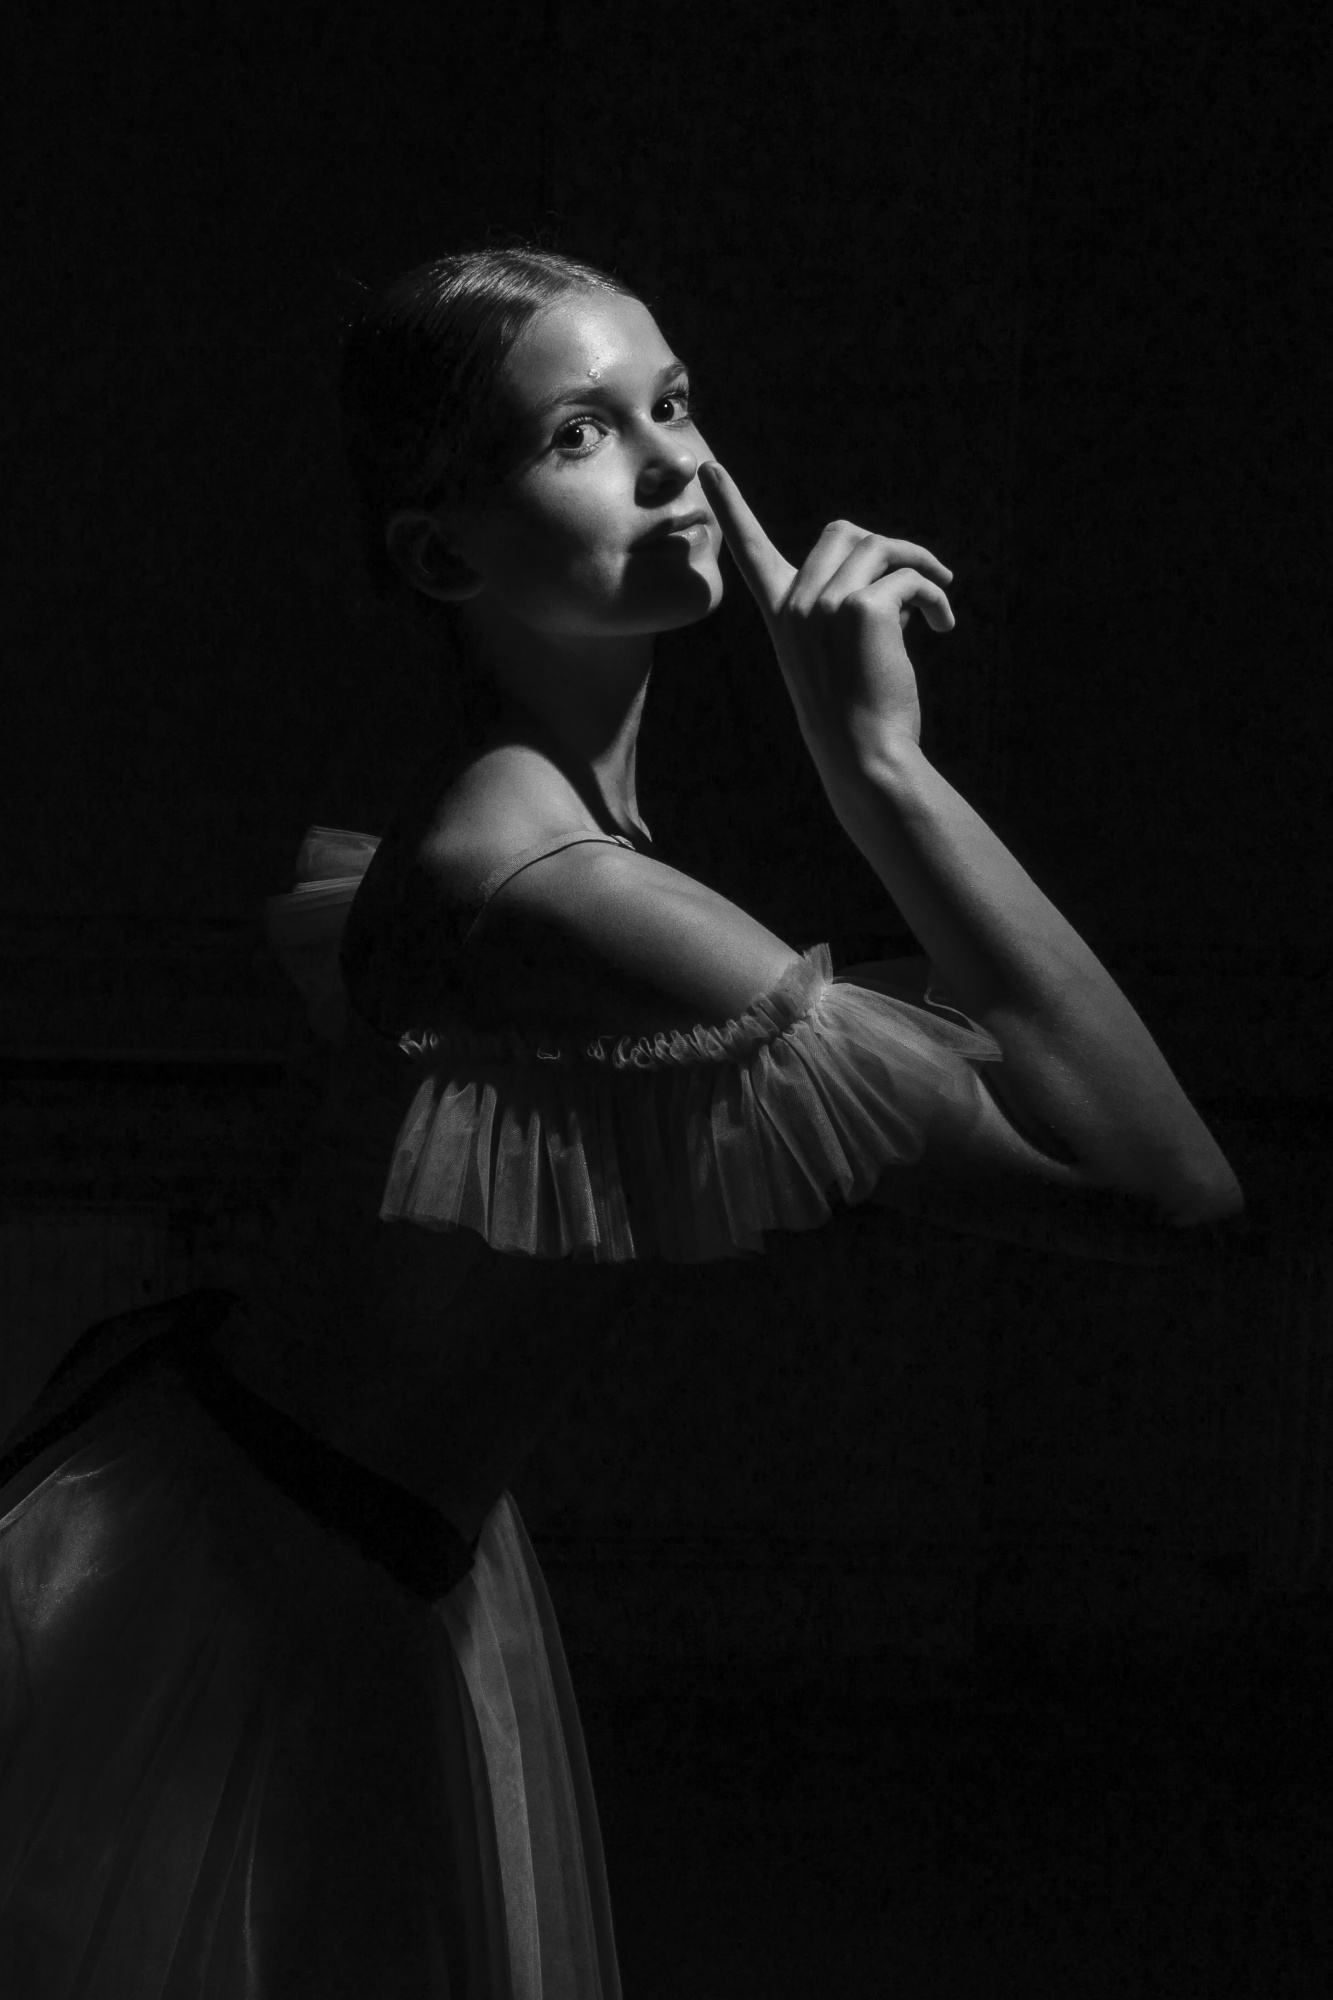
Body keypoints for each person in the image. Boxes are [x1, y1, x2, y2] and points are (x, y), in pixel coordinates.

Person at [0, 246, 1241, 1996]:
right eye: (579, 433)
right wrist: (877, 766)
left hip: (367, 1547)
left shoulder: (562, 838)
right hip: (266, 1589)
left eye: (673, 405)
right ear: (444, 554)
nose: (673, 464)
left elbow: (1057, 1092)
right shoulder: (547, 890)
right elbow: (1165, 1185)